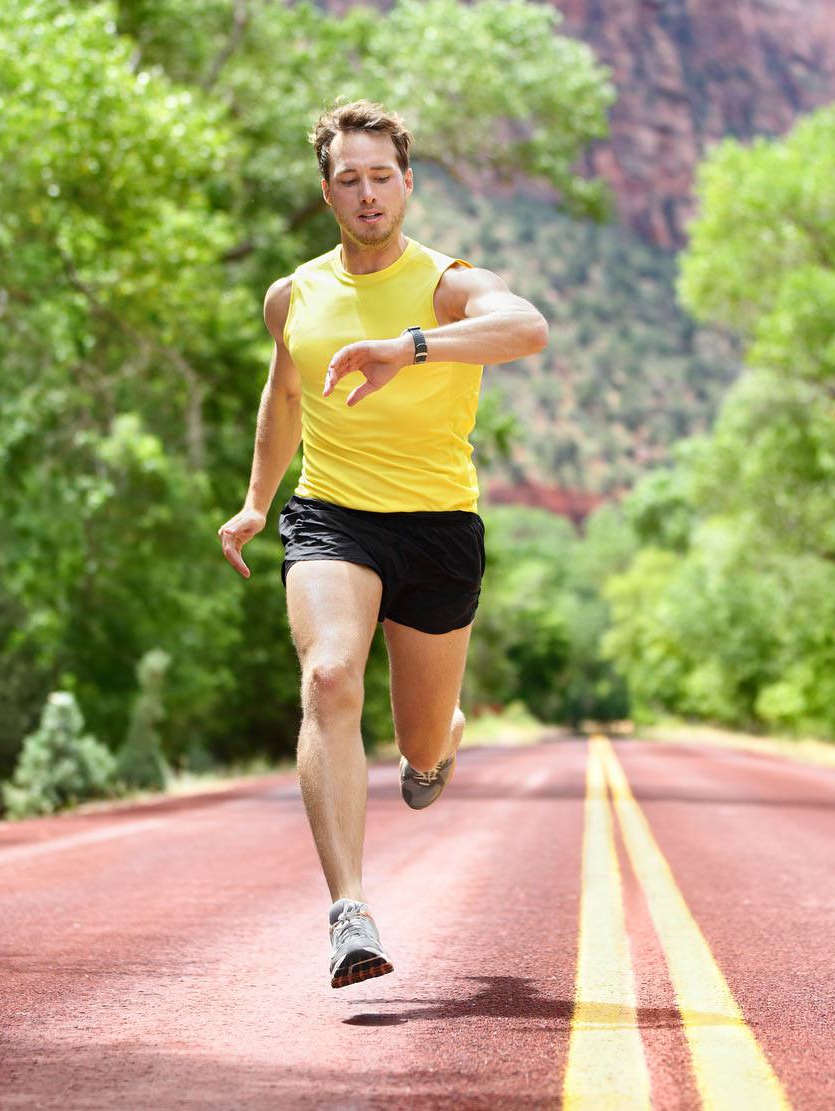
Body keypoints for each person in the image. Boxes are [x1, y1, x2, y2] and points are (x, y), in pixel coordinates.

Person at [215, 99, 548, 990]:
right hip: (333, 516)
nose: (368, 195)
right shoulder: (295, 294)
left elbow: (528, 327)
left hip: (439, 527)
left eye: (382, 177)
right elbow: (283, 399)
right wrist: (256, 502)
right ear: (328, 193)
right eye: (349, 179)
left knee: (421, 745)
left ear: (408, 184)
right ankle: (348, 912)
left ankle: (437, 743)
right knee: (329, 674)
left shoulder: (448, 283)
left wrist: (412, 347)